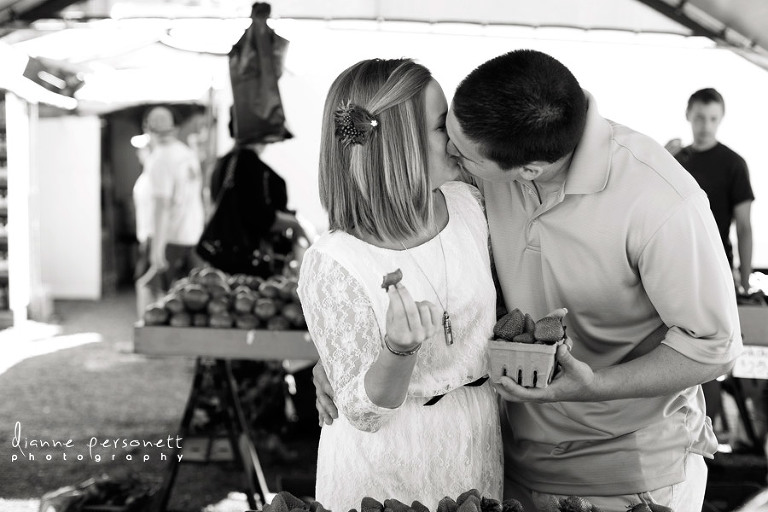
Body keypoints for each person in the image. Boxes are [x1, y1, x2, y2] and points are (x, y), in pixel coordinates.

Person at [314, 50, 742, 512]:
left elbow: (714, 345)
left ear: (528, 172)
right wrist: (339, 352)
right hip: (503, 465)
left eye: (461, 148)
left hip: (629, 475)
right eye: (449, 129)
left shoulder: (662, 199)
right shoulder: (485, 162)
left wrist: (596, 384)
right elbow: (396, 258)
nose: (454, 151)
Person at [297, 58, 503, 512]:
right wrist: (398, 351)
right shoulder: (334, 260)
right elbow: (363, 413)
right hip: (385, 463)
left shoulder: (469, 205)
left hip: (476, 436)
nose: (454, 136)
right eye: (439, 125)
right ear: (399, 143)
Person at [665, 88, 755, 294]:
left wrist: (746, 284)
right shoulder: (674, 160)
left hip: (718, 270)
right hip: (674, 269)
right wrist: (659, 158)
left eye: (713, 118)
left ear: (721, 118)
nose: (706, 126)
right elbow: (648, 210)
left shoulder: (734, 164)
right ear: (688, 115)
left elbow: (744, 227)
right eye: (699, 118)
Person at [142, 105, 205, 291]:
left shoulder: (159, 159)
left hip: (170, 238)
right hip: (193, 234)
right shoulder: (186, 154)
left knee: (153, 293)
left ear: (147, 128)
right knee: (191, 298)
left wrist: (156, 249)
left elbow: (162, 206)